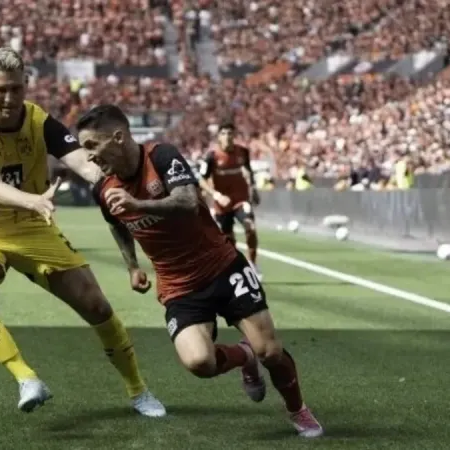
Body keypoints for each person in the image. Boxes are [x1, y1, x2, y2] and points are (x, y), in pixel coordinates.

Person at [79, 104, 323, 438]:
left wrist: (139, 205)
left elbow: (188, 202)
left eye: (92, 145)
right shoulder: (102, 188)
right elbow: (116, 223)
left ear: (118, 137)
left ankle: (297, 409)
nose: (89, 156)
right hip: (179, 286)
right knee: (199, 362)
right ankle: (244, 356)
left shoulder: (161, 157)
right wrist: (132, 265)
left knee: (271, 352)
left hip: (223, 267)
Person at [0, 48, 165, 416]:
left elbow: (81, 161)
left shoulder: (39, 120)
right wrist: (32, 200)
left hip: (34, 227)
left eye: (16, 89)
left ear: (26, 84)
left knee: (96, 305)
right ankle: (26, 378)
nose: (9, 98)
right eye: (1, 90)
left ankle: (138, 390)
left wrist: (108, 182)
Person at [198, 121, 262, 276]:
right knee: (228, 240)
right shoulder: (212, 156)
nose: (227, 136)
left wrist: (253, 188)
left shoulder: (242, 152)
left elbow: (249, 171)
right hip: (222, 204)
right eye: (224, 133)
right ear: (219, 137)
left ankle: (253, 265)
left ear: (234, 135)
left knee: (250, 228)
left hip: (241, 200)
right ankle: (237, 268)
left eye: (230, 133)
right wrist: (216, 195)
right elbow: (201, 180)